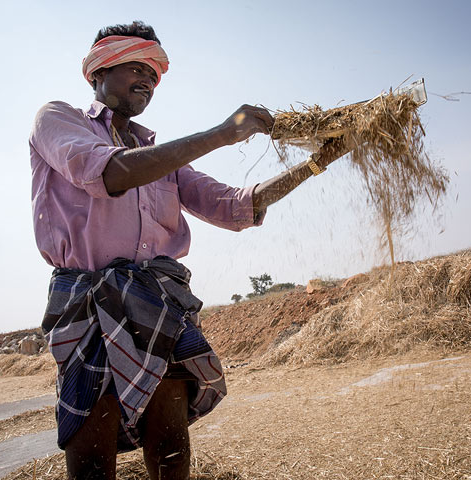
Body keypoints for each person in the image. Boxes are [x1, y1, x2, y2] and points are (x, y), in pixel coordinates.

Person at [30, 20, 348, 480]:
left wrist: (318, 161)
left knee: (172, 445)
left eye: (154, 74)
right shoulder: (58, 120)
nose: (147, 80)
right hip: (88, 302)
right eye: (135, 67)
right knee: (91, 458)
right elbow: (110, 174)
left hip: (159, 300)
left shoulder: (161, 155)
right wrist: (222, 134)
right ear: (98, 72)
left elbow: (236, 206)